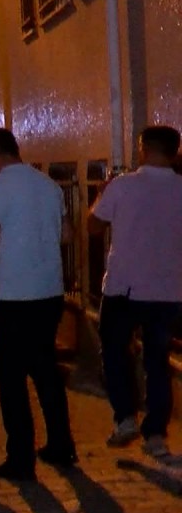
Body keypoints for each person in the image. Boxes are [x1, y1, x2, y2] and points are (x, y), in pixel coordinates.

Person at [0, 128, 76, 481]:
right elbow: (66, 235)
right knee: (46, 370)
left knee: (12, 379)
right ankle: (61, 445)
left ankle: (20, 458)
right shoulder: (49, 186)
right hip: (50, 291)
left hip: (13, 296)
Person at [89, 125, 182, 461]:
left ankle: (125, 417)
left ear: (143, 148)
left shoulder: (123, 185)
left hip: (123, 287)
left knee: (115, 352)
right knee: (157, 361)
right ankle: (155, 433)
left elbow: (93, 226)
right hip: (168, 290)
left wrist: (101, 195)